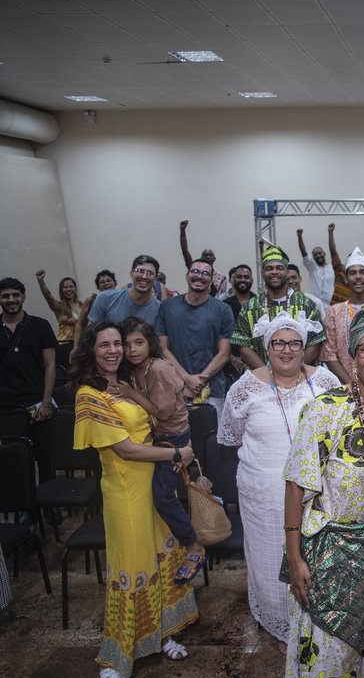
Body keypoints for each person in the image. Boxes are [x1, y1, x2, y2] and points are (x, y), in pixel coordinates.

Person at [282, 310, 364, 678]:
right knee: (324, 659)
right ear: (353, 357)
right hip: (326, 555)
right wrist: (295, 560)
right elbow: (296, 485)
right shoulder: (325, 410)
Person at [70, 322, 198, 677]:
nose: (113, 350)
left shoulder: (126, 383)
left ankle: (162, 634)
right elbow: (125, 449)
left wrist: (173, 452)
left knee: (159, 562)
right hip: (125, 492)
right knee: (132, 568)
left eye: (117, 344)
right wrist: (176, 453)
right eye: (104, 345)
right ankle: (120, 656)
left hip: (153, 489)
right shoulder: (89, 395)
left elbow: (158, 417)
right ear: (90, 351)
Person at [218, 310, 338, 649]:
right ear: (266, 346)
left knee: (312, 560)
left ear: (305, 348)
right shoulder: (245, 387)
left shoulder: (325, 383)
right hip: (263, 495)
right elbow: (231, 436)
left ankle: (314, 622)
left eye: (294, 343)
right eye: (278, 343)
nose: (286, 350)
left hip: (316, 495)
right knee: (269, 559)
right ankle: (279, 625)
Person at [115, 317, 206, 584]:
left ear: (150, 344)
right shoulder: (137, 369)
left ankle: (193, 545)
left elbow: (161, 411)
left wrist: (130, 393)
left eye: (139, 343)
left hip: (173, 437)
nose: (132, 350)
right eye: (126, 344)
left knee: (164, 496)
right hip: (158, 435)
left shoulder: (158, 369)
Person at [155, 259, 234, 413]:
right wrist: (185, 379)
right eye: (195, 272)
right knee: (176, 436)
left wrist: (198, 381)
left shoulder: (224, 310)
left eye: (205, 274)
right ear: (187, 276)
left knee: (211, 436)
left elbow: (224, 354)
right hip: (174, 387)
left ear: (211, 280)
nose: (199, 276)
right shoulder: (167, 307)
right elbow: (161, 348)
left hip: (212, 390)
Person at [0, 276, 57, 479]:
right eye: (5, 295)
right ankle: (25, 508)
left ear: (23, 297)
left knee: (44, 455)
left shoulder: (40, 326)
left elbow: (50, 365)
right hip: (6, 407)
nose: (11, 299)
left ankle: (48, 507)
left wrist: (46, 401)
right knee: (15, 459)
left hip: (37, 404)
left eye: (16, 295)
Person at [232, 245, 325, 368]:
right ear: (262, 273)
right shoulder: (249, 307)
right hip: (262, 379)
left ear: (287, 272)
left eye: (279, 268)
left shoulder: (307, 305)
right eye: (269, 268)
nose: (274, 272)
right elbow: (243, 345)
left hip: (300, 377)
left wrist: (292, 371)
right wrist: (268, 374)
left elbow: (315, 344)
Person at [320, 246, 364, 386]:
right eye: (353, 273)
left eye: (362, 272)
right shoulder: (334, 312)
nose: (358, 277)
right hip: (344, 386)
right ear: (346, 279)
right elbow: (329, 354)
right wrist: (351, 384)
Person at [88, 255, 163, 327]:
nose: (144, 276)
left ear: (156, 279)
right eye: (140, 271)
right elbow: (91, 334)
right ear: (131, 274)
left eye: (150, 273)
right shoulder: (106, 298)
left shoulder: (160, 311)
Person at [34, 270, 83, 366]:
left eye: (71, 286)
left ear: (75, 288)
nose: (69, 289)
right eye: (65, 287)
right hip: (65, 344)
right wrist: (41, 281)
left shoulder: (81, 305)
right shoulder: (59, 306)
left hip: (81, 343)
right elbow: (48, 297)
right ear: (62, 290)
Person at [178, 220, 227, 298]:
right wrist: (182, 231)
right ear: (201, 258)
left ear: (214, 259)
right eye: (205, 255)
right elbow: (185, 251)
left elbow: (223, 296)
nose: (207, 257)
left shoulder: (221, 277)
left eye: (210, 255)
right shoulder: (195, 271)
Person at [296, 227, 335, 305]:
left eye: (320, 253)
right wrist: (300, 237)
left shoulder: (332, 268)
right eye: (315, 255)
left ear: (324, 254)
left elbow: (333, 251)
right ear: (313, 257)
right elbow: (304, 253)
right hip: (316, 305)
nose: (318, 255)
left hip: (332, 305)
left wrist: (330, 232)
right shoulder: (313, 268)